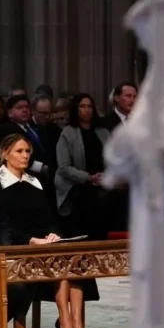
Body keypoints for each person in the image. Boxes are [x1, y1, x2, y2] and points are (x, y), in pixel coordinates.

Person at [0, 133, 88, 328]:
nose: (25, 156)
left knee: (75, 263)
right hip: (20, 249)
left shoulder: (36, 181)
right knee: (61, 264)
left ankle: (76, 326)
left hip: (46, 243)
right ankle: (64, 320)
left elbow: (51, 216)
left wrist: (54, 233)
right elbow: (4, 225)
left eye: (28, 151)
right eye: (19, 151)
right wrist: (31, 240)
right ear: (4, 153)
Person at [55, 93, 111, 241]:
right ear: (76, 110)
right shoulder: (67, 133)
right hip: (79, 188)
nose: (86, 110)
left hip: (103, 186)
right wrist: (88, 177)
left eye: (89, 106)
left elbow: (114, 158)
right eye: (82, 106)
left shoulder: (103, 132)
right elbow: (64, 167)